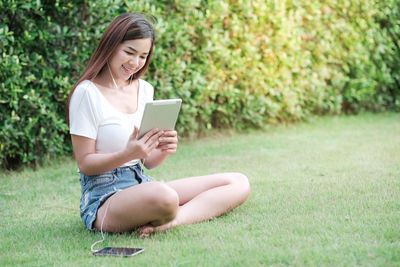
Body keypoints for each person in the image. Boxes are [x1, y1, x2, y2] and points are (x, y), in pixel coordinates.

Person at [66, 13, 250, 237]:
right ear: (111, 46)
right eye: (129, 52)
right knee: (165, 197)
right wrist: (126, 153)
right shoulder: (87, 93)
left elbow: (148, 162)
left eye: (143, 56)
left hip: (141, 183)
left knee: (238, 182)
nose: (135, 63)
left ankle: (171, 221)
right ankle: (166, 209)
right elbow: (85, 163)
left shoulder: (144, 89)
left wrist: (162, 148)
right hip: (104, 198)